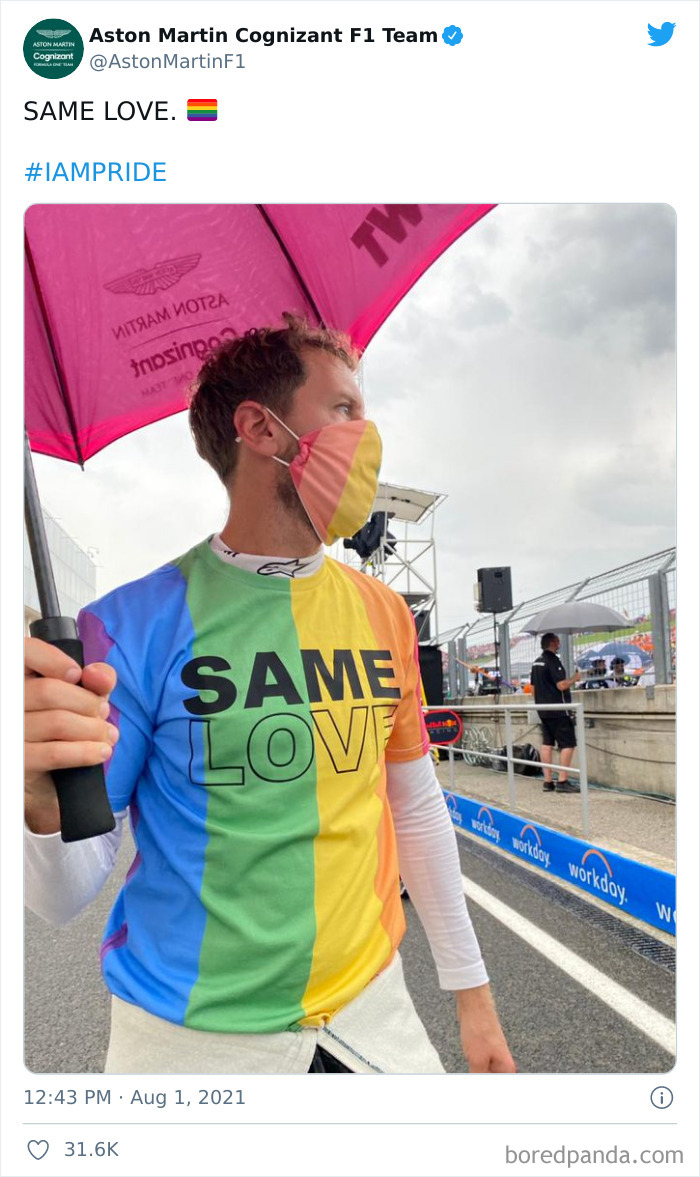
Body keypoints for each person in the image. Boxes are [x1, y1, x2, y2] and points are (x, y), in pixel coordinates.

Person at [24, 316, 515, 1076]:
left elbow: (414, 805)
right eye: (346, 409)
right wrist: (32, 797)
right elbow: (61, 894)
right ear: (261, 427)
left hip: (374, 1014)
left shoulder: (383, 611)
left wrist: (472, 997)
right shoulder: (124, 627)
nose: (367, 434)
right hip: (188, 1044)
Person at [530, 633, 581, 794]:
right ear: (552, 643)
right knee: (568, 744)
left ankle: (547, 781)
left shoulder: (536, 662)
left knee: (547, 744)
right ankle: (562, 780)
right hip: (558, 710)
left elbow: (533, 689)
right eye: (557, 641)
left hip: (543, 709)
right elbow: (561, 685)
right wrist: (575, 678)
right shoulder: (553, 661)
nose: (559, 643)